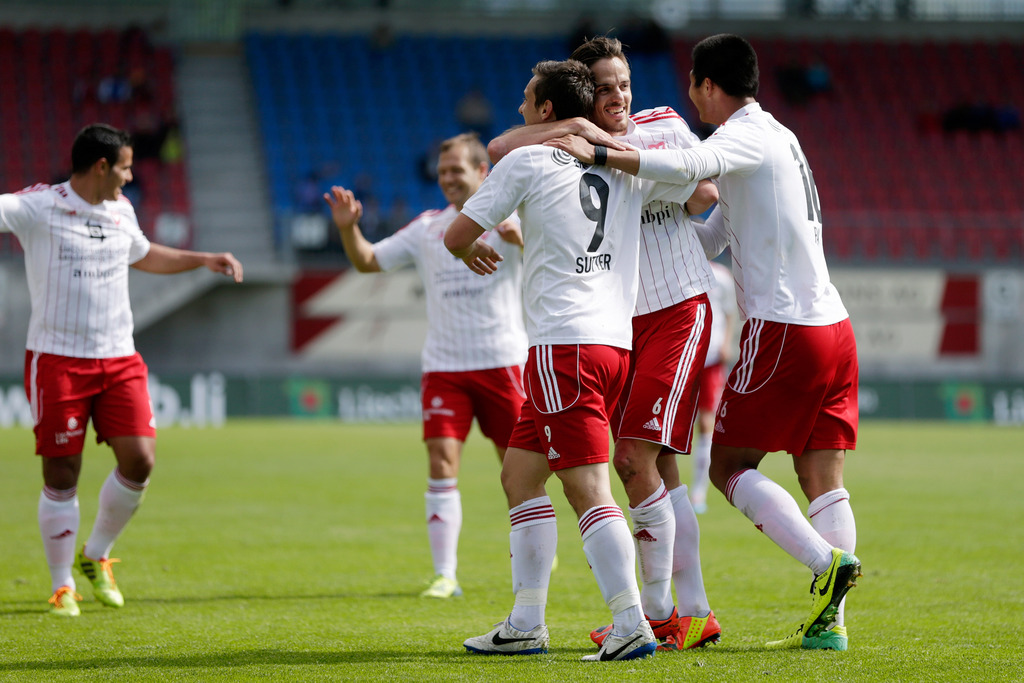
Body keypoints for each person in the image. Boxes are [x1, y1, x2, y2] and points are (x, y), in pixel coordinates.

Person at [546, 33, 862, 652]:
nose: (622, 95)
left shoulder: (727, 135)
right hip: (829, 322)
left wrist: (610, 159)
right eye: (605, 87)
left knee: (723, 465)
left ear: (707, 87)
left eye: (624, 83)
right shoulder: (779, 137)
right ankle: (828, 622)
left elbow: (696, 178)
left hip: (783, 325)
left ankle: (821, 564)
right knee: (818, 472)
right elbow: (714, 228)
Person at [446, 59, 699, 662]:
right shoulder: (623, 163)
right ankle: (526, 621)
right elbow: (700, 190)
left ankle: (631, 621)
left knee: (586, 487)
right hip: (613, 344)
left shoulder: (526, 162)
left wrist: (471, 250)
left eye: (526, 100)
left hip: (563, 346)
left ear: (547, 112)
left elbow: (457, 235)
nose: (518, 110)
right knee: (519, 475)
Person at [0, 123, 244, 617]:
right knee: (62, 473)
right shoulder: (38, 206)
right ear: (101, 166)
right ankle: (61, 583)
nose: (131, 177)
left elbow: (144, 253)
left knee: (141, 461)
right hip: (58, 360)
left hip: (119, 358)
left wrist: (202, 259)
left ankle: (97, 555)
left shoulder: (121, 211)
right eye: (127, 167)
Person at [323, 132, 528, 600]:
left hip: (504, 363)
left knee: (519, 472)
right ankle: (445, 575)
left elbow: (554, 260)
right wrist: (347, 227)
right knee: (440, 461)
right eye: (441, 172)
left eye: (456, 170)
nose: (447, 179)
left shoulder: (512, 220)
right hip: (445, 367)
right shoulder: (427, 228)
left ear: (483, 172)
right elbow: (369, 261)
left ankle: (533, 548)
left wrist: (526, 237)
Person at [689, 260, 737, 515]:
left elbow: (729, 312)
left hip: (711, 357)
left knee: (706, 423)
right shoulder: (680, 266)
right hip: (683, 353)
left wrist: (727, 343)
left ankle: (698, 491)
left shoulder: (722, 277)